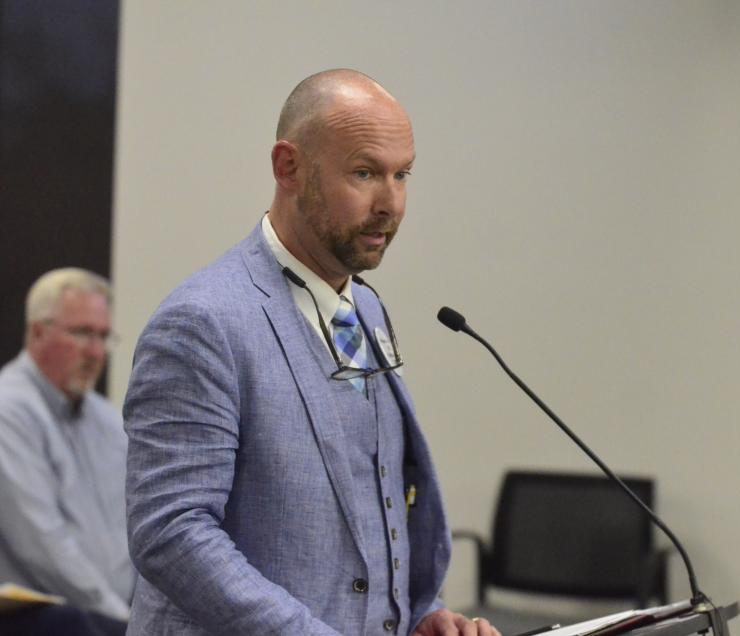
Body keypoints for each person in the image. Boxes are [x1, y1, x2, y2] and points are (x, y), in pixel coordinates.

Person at [124, 70, 499, 636]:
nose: (390, 203)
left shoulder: (365, 311)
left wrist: (417, 615)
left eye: (403, 175)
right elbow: (171, 531)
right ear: (288, 167)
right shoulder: (202, 321)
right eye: (365, 172)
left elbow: (374, 505)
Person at [0, 268, 132, 636]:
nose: (95, 352)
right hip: (42, 621)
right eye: (81, 333)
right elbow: (43, 545)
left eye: (103, 336)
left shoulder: (108, 421)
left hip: (111, 617)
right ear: (38, 333)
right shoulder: (8, 411)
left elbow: (138, 527)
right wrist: (126, 622)